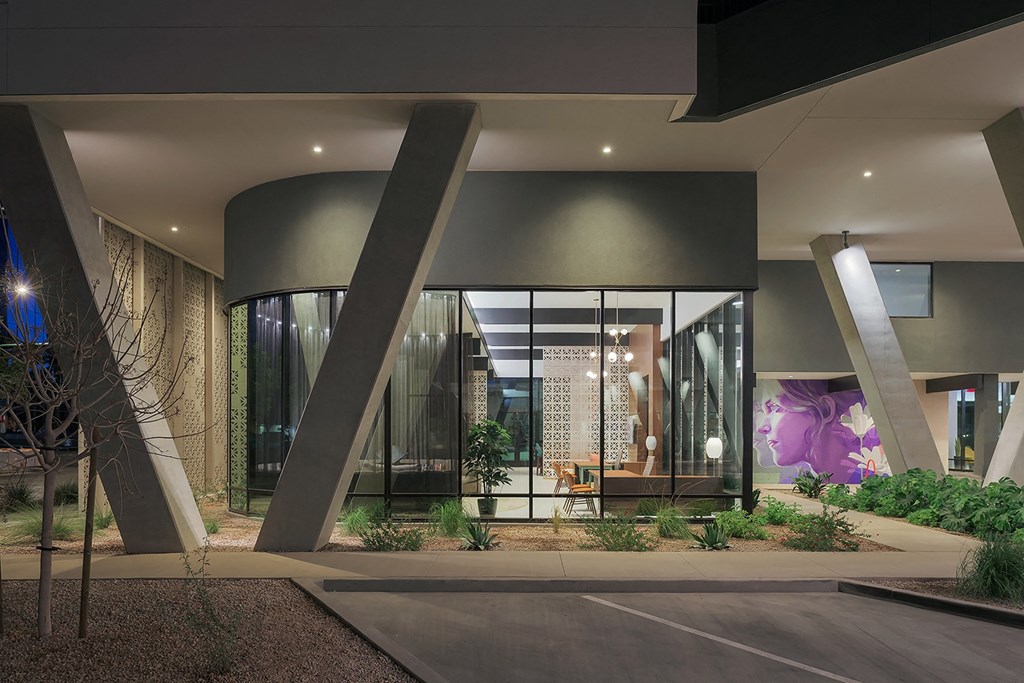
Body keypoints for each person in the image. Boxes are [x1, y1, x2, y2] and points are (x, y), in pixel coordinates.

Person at [756, 379, 882, 484]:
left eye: (775, 408)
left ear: (826, 408)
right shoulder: (795, 483)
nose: (761, 427)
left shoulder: (873, 481)